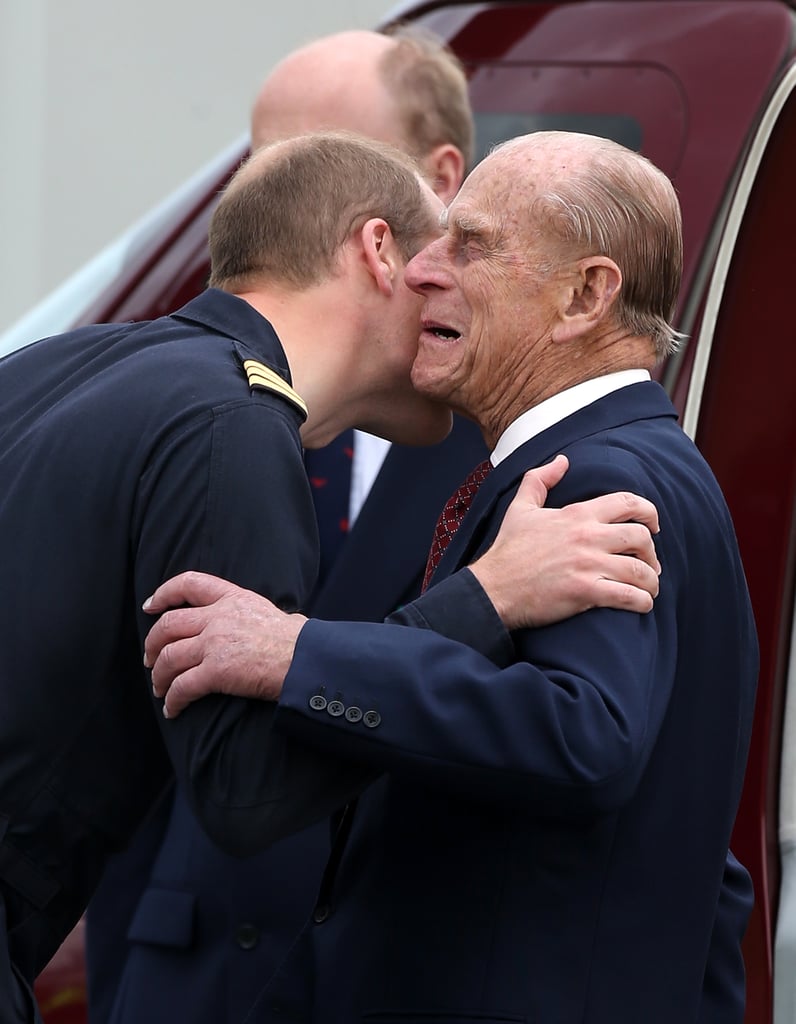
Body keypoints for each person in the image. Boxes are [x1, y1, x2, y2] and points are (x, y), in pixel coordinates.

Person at [0, 132, 662, 1024]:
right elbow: (248, 790)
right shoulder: (227, 426)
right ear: (378, 250)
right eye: (438, 256)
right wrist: (486, 599)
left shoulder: (49, 366)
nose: (442, 291)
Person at [145, 130, 759, 1023]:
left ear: (586, 295)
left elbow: (584, 736)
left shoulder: (595, 477)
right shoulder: (631, 461)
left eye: (469, 244)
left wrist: (299, 653)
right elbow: (704, 865)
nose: (421, 269)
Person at [84, 25, 483, 1023]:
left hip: (382, 975)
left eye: (315, 156)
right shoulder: (192, 401)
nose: (272, 192)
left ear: (438, 180)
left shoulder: (502, 437)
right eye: (259, 161)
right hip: (184, 973)